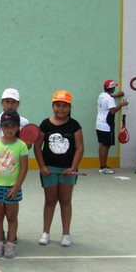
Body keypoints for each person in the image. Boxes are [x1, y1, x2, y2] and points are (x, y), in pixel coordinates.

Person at [34, 90, 84, 247]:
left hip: (67, 171)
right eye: (57, 105)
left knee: (65, 200)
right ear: (52, 106)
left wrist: (73, 167)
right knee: (50, 200)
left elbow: (80, 147)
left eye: (64, 106)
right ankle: (45, 232)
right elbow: (37, 145)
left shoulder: (74, 125)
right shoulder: (45, 124)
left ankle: (66, 234)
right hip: (49, 169)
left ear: (69, 107)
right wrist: (42, 166)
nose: (60, 109)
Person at [0, 109, 28, 258]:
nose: (9, 129)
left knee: (12, 217)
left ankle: (10, 244)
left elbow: (24, 169)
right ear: (1, 127)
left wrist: (16, 187)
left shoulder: (21, 145)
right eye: (6, 126)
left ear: (17, 128)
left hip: (12, 188)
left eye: (13, 126)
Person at [96, 79, 128, 174]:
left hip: (99, 124)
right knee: (106, 146)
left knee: (102, 145)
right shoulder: (110, 99)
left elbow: (108, 98)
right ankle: (103, 167)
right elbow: (112, 111)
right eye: (114, 87)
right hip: (107, 125)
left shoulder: (102, 95)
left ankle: (102, 166)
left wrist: (116, 96)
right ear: (112, 88)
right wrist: (121, 105)